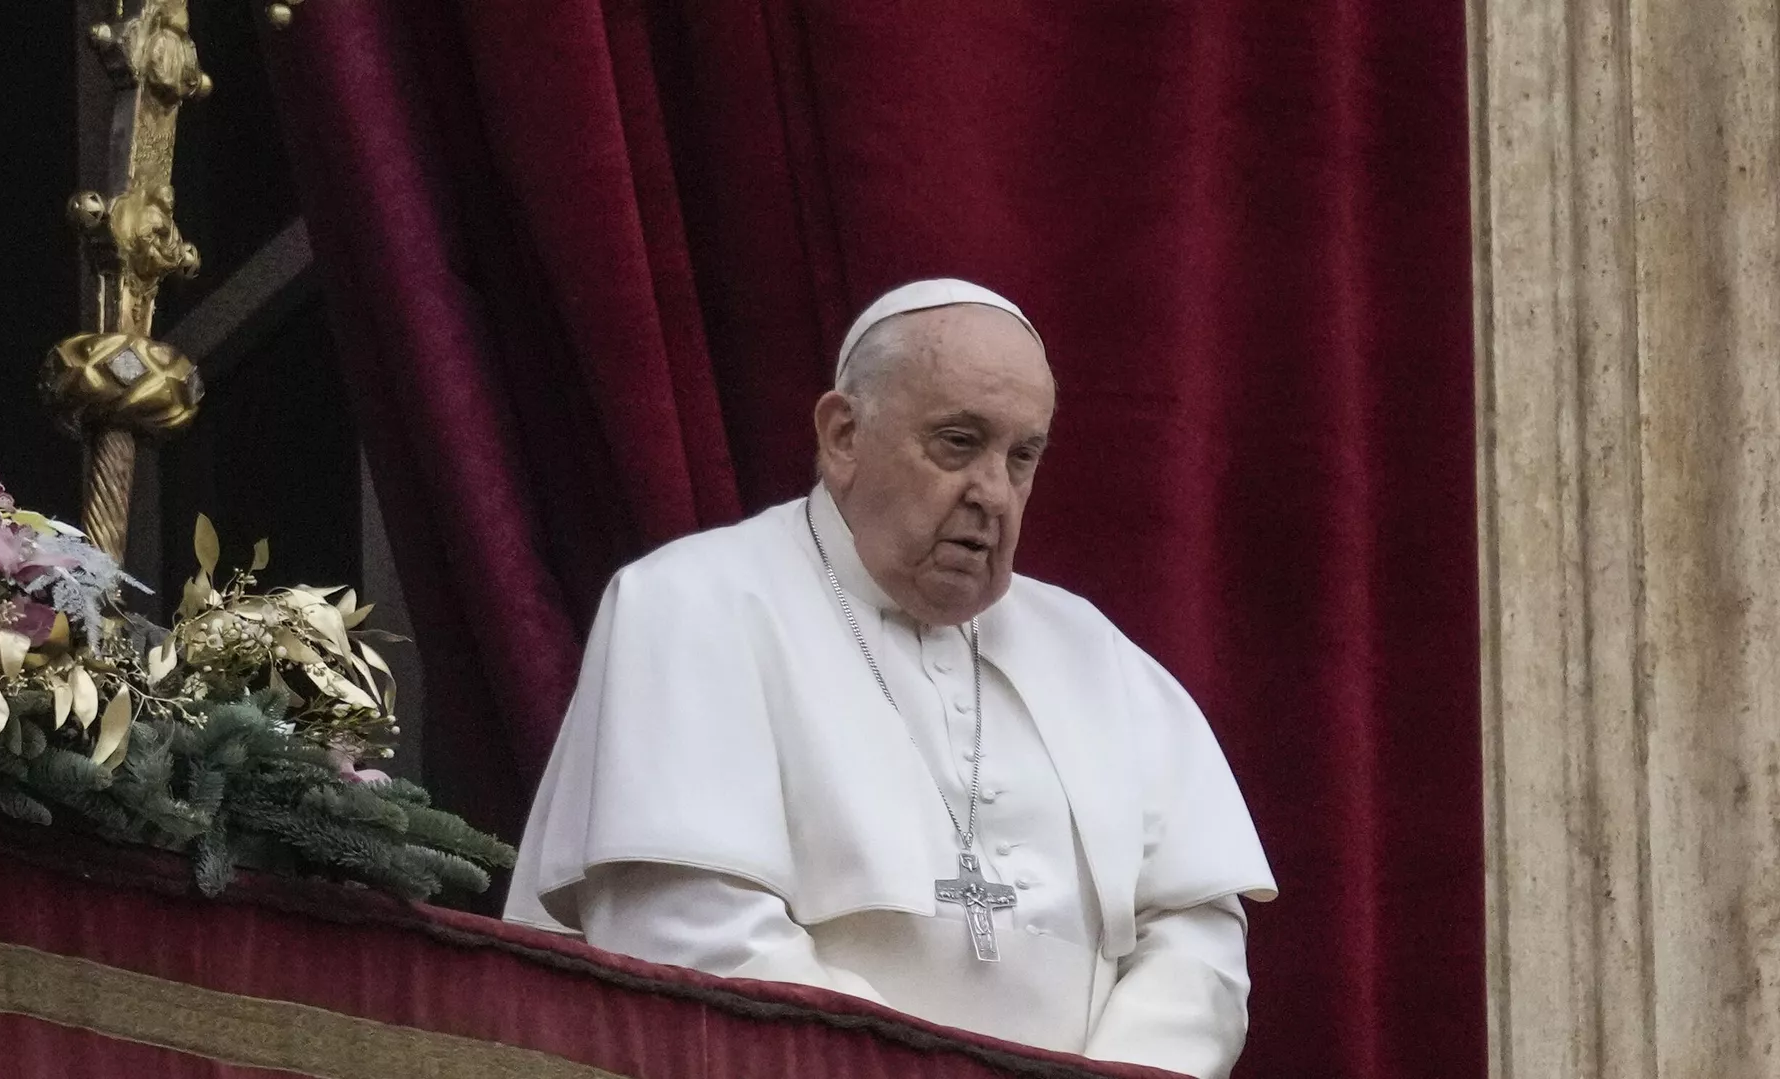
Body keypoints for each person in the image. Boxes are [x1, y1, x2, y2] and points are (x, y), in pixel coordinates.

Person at [504, 279, 1276, 1079]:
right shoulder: (692, 604)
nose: (993, 493)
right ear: (843, 434)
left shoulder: (1094, 653)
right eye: (957, 442)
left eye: (1022, 456)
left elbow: (1198, 941)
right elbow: (690, 936)